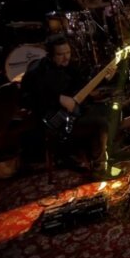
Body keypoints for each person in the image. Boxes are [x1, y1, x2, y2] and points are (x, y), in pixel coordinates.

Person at [20, 33, 117, 180]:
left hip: (73, 113)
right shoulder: (37, 71)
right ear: (50, 55)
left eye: (68, 53)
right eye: (60, 54)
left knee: (110, 110)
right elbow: (26, 99)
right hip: (53, 121)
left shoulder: (70, 67)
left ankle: (102, 156)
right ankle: (99, 169)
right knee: (100, 122)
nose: (66, 58)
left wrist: (106, 78)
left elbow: (85, 87)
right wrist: (58, 98)